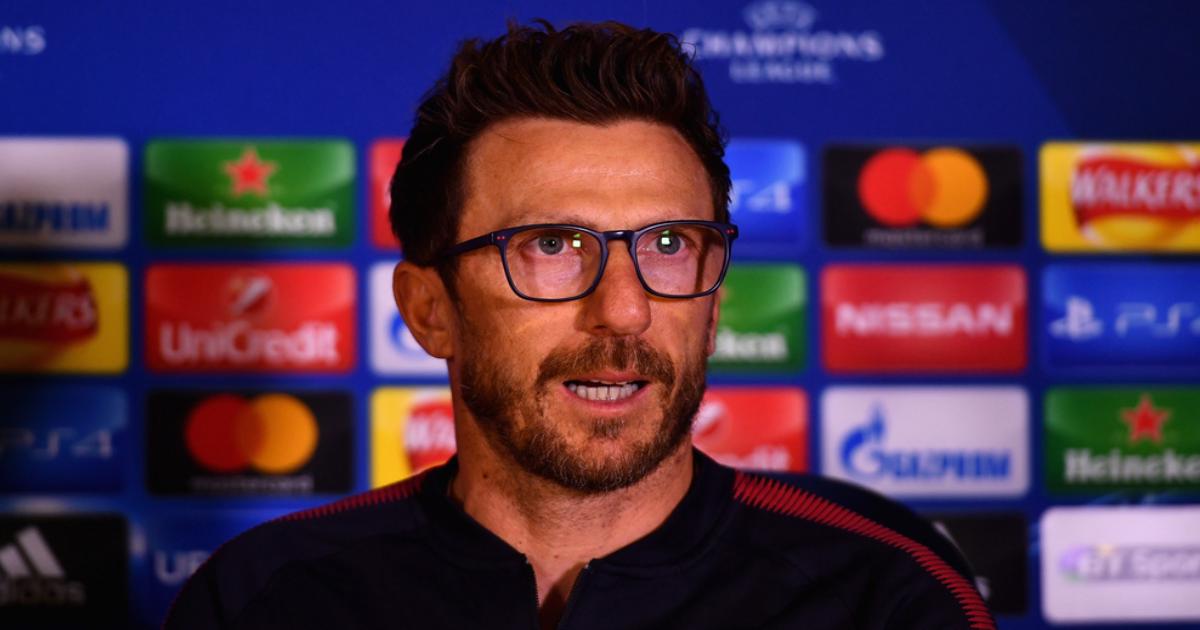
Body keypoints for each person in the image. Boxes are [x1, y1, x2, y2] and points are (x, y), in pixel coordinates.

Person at [165, 20, 995, 630]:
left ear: (713, 307)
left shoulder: (887, 599)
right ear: (429, 310)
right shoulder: (263, 599)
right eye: (552, 246)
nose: (625, 310)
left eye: (669, 245)